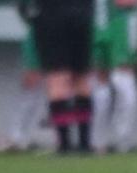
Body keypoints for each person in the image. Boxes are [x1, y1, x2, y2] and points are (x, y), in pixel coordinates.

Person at [22, 0, 93, 153]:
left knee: (57, 79)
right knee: (80, 78)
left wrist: (29, 15)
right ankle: (84, 143)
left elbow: (25, 7)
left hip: (50, 17)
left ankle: (64, 144)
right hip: (81, 16)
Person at [85, 0, 137, 152]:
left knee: (125, 87)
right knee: (100, 84)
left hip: (122, 23)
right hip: (97, 23)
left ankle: (122, 141)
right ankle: (98, 142)